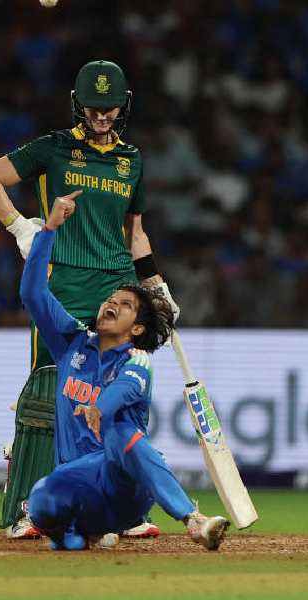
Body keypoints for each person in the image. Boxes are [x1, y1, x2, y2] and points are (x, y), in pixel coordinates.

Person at [0, 60, 179, 539]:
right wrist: (21, 226)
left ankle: (124, 510)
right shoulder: (54, 147)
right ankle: (33, 507)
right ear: (77, 103)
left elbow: (136, 233)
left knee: (120, 398)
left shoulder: (132, 159)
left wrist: (156, 284)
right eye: (93, 105)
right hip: (63, 281)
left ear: (123, 105)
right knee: (51, 392)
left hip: (119, 288)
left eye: (109, 106)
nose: (102, 114)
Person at [20, 194, 229, 551]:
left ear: (136, 328)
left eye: (125, 304)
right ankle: (76, 536)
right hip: (77, 485)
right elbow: (33, 293)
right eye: (111, 300)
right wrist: (49, 229)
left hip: (122, 484)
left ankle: (192, 521)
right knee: (41, 498)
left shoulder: (137, 358)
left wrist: (98, 406)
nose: (112, 304)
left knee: (120, 433)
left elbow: (124, 393)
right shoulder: (71, 343)